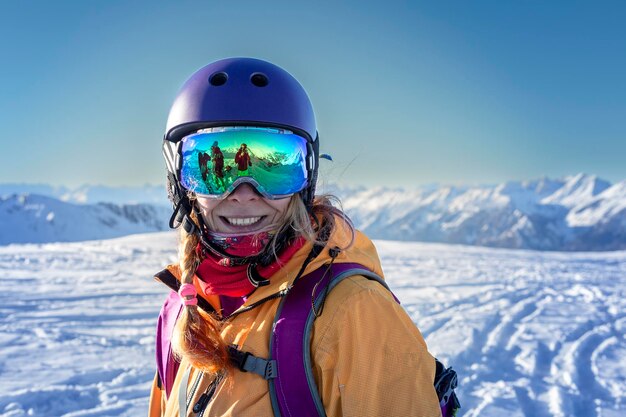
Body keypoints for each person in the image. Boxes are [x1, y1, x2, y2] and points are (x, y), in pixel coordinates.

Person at [150, 57, 443, 416]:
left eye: (274, 167)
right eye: (213, 168)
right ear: (180, 183)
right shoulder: (182, 311)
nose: (243, 192)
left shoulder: (352, 313)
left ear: (307, 177)